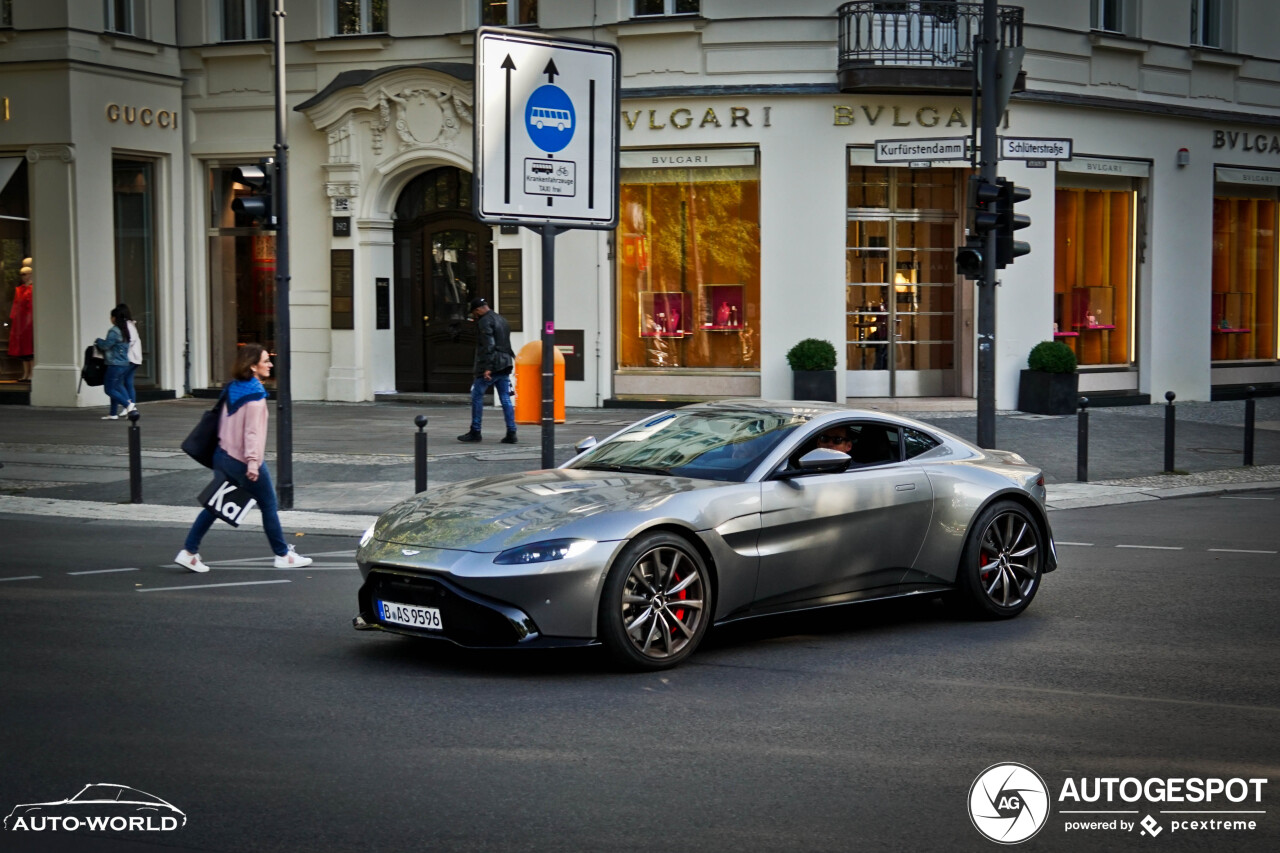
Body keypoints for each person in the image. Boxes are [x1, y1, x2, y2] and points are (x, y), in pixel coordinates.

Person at [175, 343, 312, 573]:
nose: (270, 364)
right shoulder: (256, 396)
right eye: (266, 361)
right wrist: (252, 462)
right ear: (253, 366)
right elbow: (252, 433)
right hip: (243, 461)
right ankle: (283, 555)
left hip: (222, 455)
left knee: (214, 505)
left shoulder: (233, 388)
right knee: (268, 504)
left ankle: (189, 552)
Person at [457, 296, 517, 444]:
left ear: (478, 310)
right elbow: (506, 343)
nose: (475, 316)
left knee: (477, 396)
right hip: (505, 363)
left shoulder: (484, 321)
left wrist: (487, 368)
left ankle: (475, 431)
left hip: (492, 364)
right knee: (505, 398)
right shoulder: (501, 319)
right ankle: (511, 431)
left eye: (475, 313)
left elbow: (489, 346)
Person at [95, 306, 135, 420]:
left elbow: (106, 345)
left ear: (114, 318)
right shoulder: (125, 330)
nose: (110, 318)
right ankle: (113, 413)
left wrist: (98, 341)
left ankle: (128, 405)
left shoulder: (114, 331)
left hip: (114, 364)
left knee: (109, 389)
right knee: (116, 386)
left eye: (111, 316)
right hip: (124, 363)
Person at [8, 264, 34, 381]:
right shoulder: (20, 289)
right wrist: (14, 320)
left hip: (30, 322)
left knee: (30, 348)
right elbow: (15, 305)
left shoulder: (33, 289)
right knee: (23, 348)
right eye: (21, 274)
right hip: (20, 322)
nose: (23, 277)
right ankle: (25, 373)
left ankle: (32, 374)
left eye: (25, 274)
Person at [118, 303, 142, 411]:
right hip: (135, 358)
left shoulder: (127, 325)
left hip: (130, 358)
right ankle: (131, 405)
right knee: (128, 382)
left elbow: (130, 340)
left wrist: (121, 350)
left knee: (119, 381)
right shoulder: (131, 324)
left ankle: (128, 405)